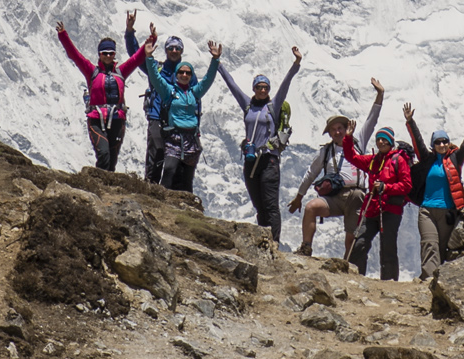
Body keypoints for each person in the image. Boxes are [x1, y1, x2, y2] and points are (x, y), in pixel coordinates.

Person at [288, 78, 387, 257]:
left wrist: (380, 95)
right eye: (333, 129)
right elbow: (311, 174)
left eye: (340, 128)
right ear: (330, 133)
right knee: (311, 208)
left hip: (356, 195)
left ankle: (347, 265)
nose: (337, 132)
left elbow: (372, 120)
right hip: (334, 197)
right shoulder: (325, 151)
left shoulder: (358, 142)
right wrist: (299, 197)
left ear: (346, 128)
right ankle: (306, 247)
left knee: (350, 236)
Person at [222, 46, 302, 245]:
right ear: (254, 89)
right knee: (259, 205)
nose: (263, 90)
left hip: (269, 160)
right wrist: (218, 63)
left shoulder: (273, 107)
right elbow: (231, 86)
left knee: (270, 204)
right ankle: (263, 242)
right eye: (259, 87)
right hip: (251, 159)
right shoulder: (247, 105)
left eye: (266, 87)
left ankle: (274, 242)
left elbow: (285, 84)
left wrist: (296, 64)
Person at [56, 19, 152, 172]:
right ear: (99, 55)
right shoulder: (91, 71)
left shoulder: (120, 72)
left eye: (111, 53)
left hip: (117, 119)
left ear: (114, 54)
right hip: (96, 119)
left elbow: (136, 59)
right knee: (104, 154)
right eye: (104, 53)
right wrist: (63, 35)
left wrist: (150, 41)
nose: (108, 56)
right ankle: (97, 185)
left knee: (112, 160)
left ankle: (106, 191)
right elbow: (74, 55)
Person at [404, 102, 464, 280]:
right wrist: (410, 122)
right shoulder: (427, 159)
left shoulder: (456, 158)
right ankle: (429, 279)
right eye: (438, 142)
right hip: (427, 210)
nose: (441, 144)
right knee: (429, 244)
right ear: (433, 145)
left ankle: (438, 281)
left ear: (448, 143)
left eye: (444, 141)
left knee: (441, 247)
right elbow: (417, 142)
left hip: (448, 211)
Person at [146, 40, 222, 194]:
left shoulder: (195, 92)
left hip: (191, 139)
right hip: (173, 137)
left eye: (188, 73)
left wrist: (215, 60)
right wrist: (148, 57)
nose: (185, 75)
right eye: (181, 72)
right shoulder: (168, 92)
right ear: (176, 75)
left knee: (186, 178)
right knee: (169, 169)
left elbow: (208, 79)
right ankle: (162, 202)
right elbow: (155, 78)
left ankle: (186, 208)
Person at [343, 125, 412, 280]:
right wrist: (348, 138)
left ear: (390, 142)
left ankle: (389, 282)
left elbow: (407, 185)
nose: (380, 142)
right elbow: (351, 157)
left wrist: (386, 187)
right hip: (372, 208)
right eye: (378, 139)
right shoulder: (373, 160)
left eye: (384, 139)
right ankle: (355, 278)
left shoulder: (399, 160)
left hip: (390, 209)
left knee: (387, 247)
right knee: (360, 242)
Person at [125, 11, 184, 184]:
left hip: (178, 121)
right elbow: (135, 54)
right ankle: (150, 187)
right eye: (171, 48)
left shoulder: (185, 73)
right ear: (166, 50)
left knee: (175, 161)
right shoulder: (155, 69)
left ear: (181, 51)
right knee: (156, 152)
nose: (174, 51)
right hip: (156, 117)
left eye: (177, 48)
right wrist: (130, 31)